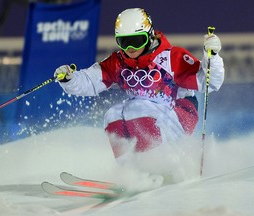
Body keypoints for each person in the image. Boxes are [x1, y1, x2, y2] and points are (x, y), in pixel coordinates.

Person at [54, 8, 224, 160]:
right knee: (112, 115)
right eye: (123, 42)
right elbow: (90, 81)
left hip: (178, 116)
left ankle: (156, 163)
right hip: (146, 114)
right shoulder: (118, 62)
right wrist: (70, 79)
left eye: (136, 41)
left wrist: (213, 57)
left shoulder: (171, 57)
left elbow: (209, 82)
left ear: (149, 36)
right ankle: (130, 169)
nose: (130, 48)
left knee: (137, 108)